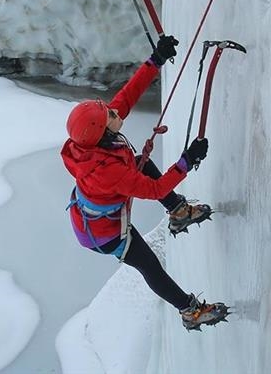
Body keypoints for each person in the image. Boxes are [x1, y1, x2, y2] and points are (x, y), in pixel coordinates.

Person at [60, 35, 229, 331]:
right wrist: (185, 163)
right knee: (149, 265)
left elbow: (126, 97)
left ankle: (178, 212)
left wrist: (156, 60)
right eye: (109, 114)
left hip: (96, 214)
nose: (115, 111)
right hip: (105, 234)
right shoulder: (106, 171)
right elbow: (154, 190)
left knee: (142, 162)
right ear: (101, 130)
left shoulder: (96, 137)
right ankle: (190, 311)